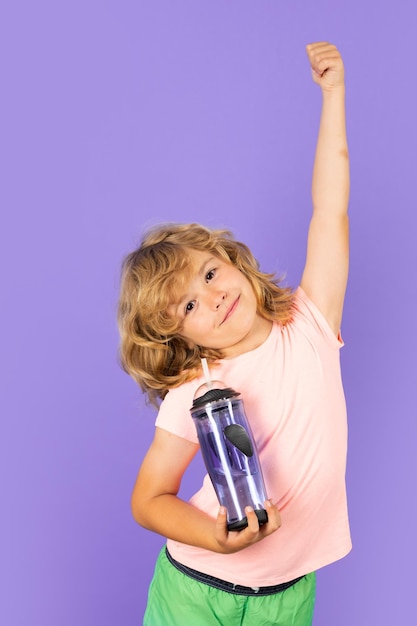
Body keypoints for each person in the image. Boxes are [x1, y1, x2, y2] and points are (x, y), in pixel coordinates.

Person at [118, 42, 351, 626]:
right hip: (197, 587)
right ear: (179, 334)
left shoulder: (312, 324)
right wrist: (215, 537)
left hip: (289, 594)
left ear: (232, 259)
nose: (215, 295)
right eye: (189, 304)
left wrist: (333, 95)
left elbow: (330, 210)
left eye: (210, 272)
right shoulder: (195, 391)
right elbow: (148, 500)